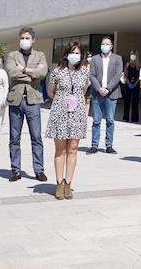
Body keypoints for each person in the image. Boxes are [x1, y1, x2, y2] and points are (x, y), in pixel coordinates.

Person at [45, 41, 92, 200]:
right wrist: (62, 100)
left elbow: (84, 91)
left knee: (73, 148)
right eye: (73, 52)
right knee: (60, 149)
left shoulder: (85, 72)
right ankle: (59, 182)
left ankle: (68, 183)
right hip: (60, 112)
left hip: (77, 113)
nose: (75, 56)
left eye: (78, 53)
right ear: (66, 54)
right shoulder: (57, 71)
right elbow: (50, 91)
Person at [4, 27, 48, 182]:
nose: (24, 40)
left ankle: (39, 170)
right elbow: (11, 72)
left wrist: (23, 69)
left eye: (27, 38)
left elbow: (42, 73)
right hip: (16, 100)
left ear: (33, 39)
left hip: (33, 101)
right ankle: (16, 170)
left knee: (36, 137)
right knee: (14, 137)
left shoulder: (40, 55)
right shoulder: (12, 55)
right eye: (22, 38)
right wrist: (31, 75)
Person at [88, 36, 123, 155]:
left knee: (110, 120)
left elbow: (118, 75)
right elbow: (91, 75)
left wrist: (108, 88)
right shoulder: (94, 59)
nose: (105, 46)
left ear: (111, 46)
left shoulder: (118, 59)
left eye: (107, 44)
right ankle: (94, 145)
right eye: (103, 44)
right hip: (97, 94)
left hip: (111, 94)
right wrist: (99, 89)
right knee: (96, 121)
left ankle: (109, 145)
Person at [121, 51, 141, 123]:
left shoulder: (138, 65)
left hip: (136, 84)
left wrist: (135, 84)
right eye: (131, 55)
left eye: (134, 55)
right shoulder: (127, 64)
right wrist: (129, 83)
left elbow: (140, 76)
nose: (132, 57)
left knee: (135, 101)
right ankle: (125, 117)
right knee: (127, 101)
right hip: (128, 84)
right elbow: (125, 75)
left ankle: (135, 118)